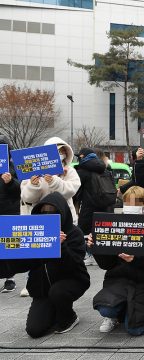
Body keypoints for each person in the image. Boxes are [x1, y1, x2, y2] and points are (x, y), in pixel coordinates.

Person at [0, 192, 90, 338]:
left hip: (71, 281)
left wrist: (60, 246)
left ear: (62, 212)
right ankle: (53, 310)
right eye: (44, 212)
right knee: (34, 330)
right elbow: (21, 264)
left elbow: (72, 265)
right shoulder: (36, 233)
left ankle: (69, 317)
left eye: (53, 212)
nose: (48, 215)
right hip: (42, 288)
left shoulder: (74, 233)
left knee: (58, 293)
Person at [87, 186, 144, 335]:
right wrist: (96, 246)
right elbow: (106, 265)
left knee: (136, 329)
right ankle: (118, 313)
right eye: (128, 203)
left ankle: (129, 311)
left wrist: (136, 259)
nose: (131, 207)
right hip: (119, 279)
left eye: (136, 204)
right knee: (105, 307)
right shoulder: (114, 224)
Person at [19, 137, 81, 297]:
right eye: (57, 151)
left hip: (64, 218)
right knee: (38, 251)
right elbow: (27, 197)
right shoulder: (32, 171)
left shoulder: (69, 171)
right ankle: (33, 281)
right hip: (40, 218)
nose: (60, 155)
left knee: (64, 251)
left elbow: (71, 190)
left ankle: (64, 283)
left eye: (62, 152)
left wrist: (55, 181)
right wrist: (33, 185)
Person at [74, 148, 116, 266]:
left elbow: (76, 192)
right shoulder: (105, 169)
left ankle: (89, 255)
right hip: (107, 206)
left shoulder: (82, 171)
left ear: (83, 157)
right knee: (102, 231)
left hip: (89, 207)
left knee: (85, 231)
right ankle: (102, 255)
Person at [0, 135, 21, 293]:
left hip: (9, 211)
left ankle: (10, 277)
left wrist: (10, 182)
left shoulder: (15, 166)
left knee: (9, 245)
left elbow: (21, 191)